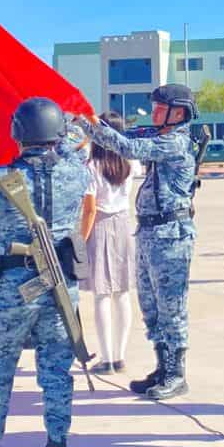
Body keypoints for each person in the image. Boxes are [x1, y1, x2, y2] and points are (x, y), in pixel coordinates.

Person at [0, 97, 92, 447]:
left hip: (15, 287)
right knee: (56, 371)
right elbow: (70, 146)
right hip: (61, 286)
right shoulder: (76, 174)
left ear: (17, 133)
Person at [73, 84, 200, 400]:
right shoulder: (159, 135)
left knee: (171, 308)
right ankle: (162, 366)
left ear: (179, 112)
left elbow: (128, 147)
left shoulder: (175, 142)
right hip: (150, 233)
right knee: (152, 307)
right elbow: (129, 137)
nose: (154, 112)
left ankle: (176, 373)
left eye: (160, 108)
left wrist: (91, 123)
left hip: (171, 235)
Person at [80, 112, 139, 374]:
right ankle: (120, 356)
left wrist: (81, 240)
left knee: (102, 295)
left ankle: (106, 359)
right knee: (122, 293)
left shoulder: (92, 167)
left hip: (101, 225)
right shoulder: (129, 162)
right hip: (124, 224)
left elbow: (90, 210)